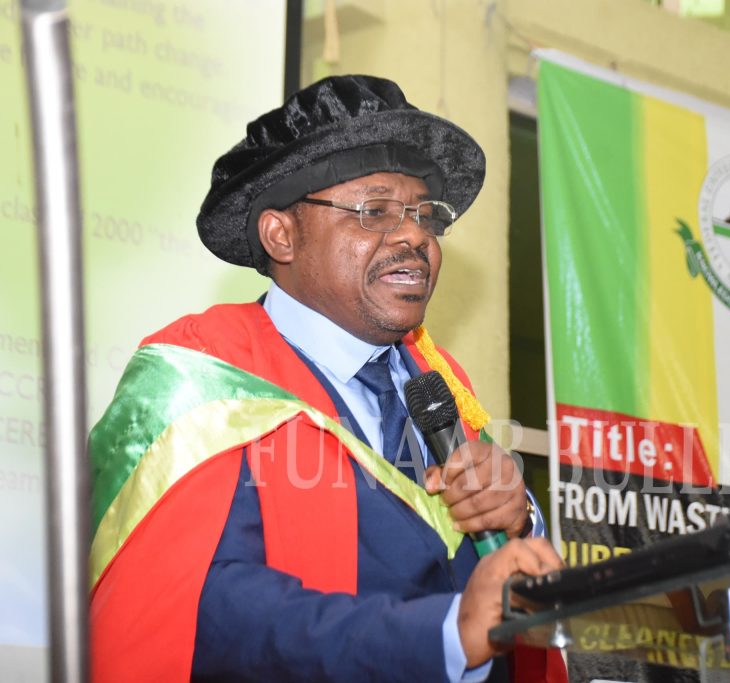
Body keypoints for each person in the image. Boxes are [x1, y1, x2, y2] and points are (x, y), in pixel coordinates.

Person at [88, 75, 566, 682]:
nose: (416, 235)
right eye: (375, 210)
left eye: (426, 216)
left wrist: (517, 518)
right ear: (281, 235)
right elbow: (212, 612)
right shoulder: (201, 382)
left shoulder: (438, 384)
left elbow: (476, 575)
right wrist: (443, 636)